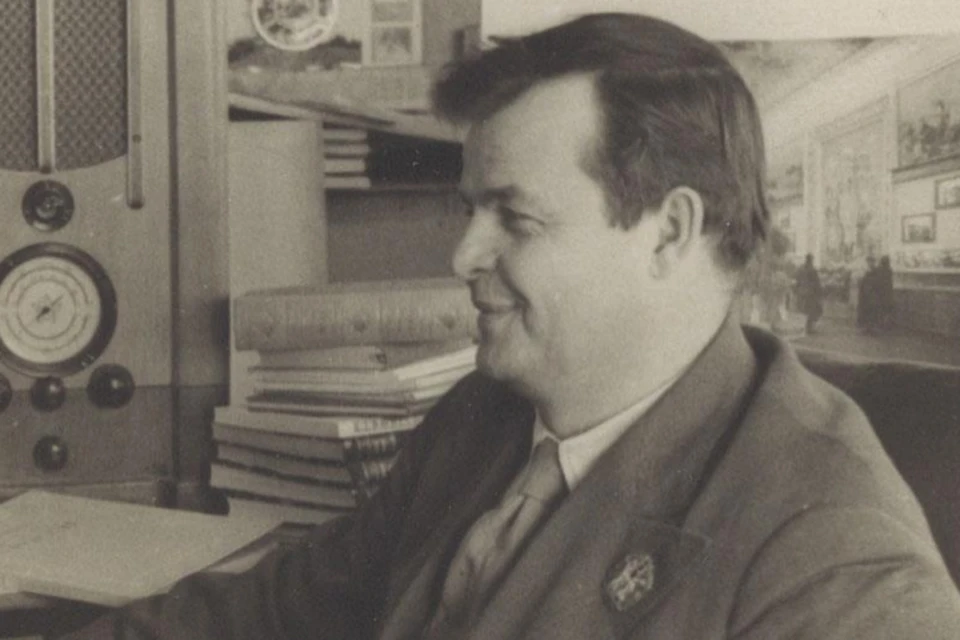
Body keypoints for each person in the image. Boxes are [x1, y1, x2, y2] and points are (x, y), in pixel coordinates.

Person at [64, 13, 960, 639]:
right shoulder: (485, 416)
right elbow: (274, 614)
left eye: (516, 219)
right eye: (469, 210)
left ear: (669, 232)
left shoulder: (835, 560)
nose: (463, 254)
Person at [794, 253, 823, 334]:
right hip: (810, 293)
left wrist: (797, 289)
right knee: (811, 311)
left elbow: (797, 280)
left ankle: (804, 327)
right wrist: (819, 292)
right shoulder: (812, 270)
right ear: (811, 260)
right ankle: (809, 328)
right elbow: (817, 283)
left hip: (801, 292)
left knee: (804, 310)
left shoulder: (800, 268)